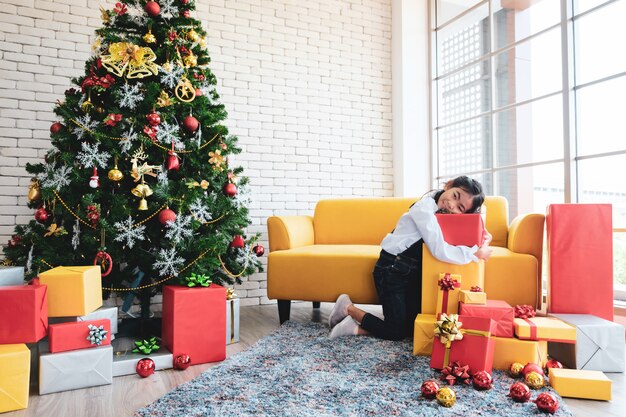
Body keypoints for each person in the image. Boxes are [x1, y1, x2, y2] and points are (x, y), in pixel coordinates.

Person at [328, 176, 493, 340]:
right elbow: (439, 249)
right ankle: (349, 309)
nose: (452, 204)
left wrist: (484, 238)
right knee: (396, 332)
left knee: (414, 328)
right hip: (391, 270)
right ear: (448, 185)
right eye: (455, 195)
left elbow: (476, 225)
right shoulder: (424, 208)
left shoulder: (443, 212)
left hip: (409, 274)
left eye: (460, 207)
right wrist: (474, 254)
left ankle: (354, 326)